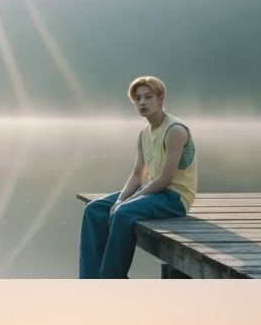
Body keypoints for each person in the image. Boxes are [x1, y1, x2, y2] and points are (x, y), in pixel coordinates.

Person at [79, 76, 198, 277]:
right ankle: (90, 279)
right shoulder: (144, 134)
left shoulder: (175, 130)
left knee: (122, 213)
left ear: (160, 99)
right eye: (138, 98)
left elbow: (165, 180)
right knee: (94, 209)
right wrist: (120, 199)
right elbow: (137, 175)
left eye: (148, 97)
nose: (142, 102)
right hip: (151, 192)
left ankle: (112, 278)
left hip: (174, 198)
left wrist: (126, 203)